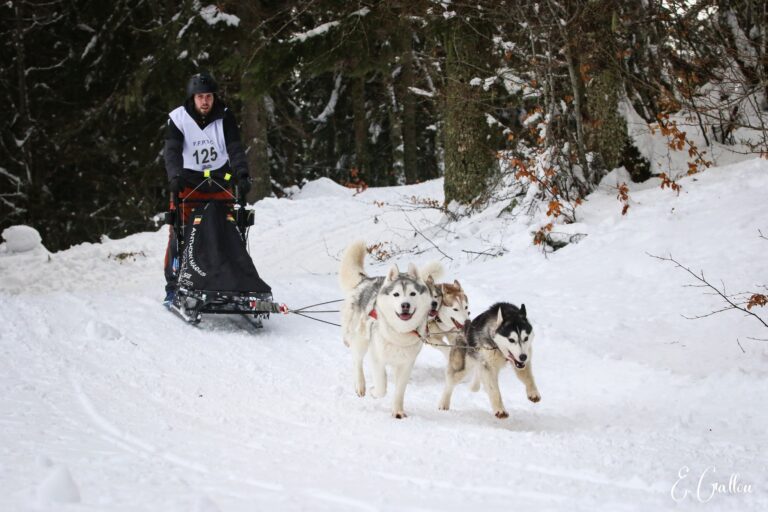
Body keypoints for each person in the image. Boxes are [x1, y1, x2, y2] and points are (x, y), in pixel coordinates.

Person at [162, 71, 251, 305]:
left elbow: (235, 148)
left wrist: (241, 174)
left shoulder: (225, 117)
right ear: (192, 98)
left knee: (229, 230)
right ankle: (173, 285)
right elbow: (172, 152)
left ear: (214, 97)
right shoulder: (178, 118)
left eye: (208, 97)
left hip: (220, 181)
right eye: (200, 97)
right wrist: (174, 176)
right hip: (188, 183)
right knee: (178, 231)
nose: (205, 102)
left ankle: (232, 281)